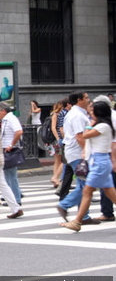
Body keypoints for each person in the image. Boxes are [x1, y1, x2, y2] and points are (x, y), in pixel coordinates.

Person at [61, 100, 116, 231]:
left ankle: (77, 221)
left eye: (92, 111)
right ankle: (78, 220)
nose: (90, 113)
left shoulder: (103, 126)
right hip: (99, 161)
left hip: (100, 162)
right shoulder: (101, 125)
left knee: (87, 191)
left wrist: (89, 123)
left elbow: (85, 135)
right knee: (110, 193)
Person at [56, 91, 100, 225]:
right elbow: (80, 136)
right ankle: (65, 204)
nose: (88, 100)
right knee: (87, 184)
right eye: (86, 98)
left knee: (83, 183)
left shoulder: (78, 113)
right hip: (77, 153)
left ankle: (84, 216)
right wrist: (87, 153)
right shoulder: (77, 116)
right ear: (79, 100)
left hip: (75, 152)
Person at [0, 102, 24, 206]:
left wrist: (11, 145)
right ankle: (14, 198)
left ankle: (16, 199)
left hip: (10, 150)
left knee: (11, 176)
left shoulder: (11, 119)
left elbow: (19, 132)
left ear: (3, 111)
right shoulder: (6, 119)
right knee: (9, 175)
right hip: (7, 149)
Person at [49, 99, 66, 188]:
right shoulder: (56, 115)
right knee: (62, 160)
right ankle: (55, 178)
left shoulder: (55, 114)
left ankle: (55, 179)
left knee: (57, 160)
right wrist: (58, 138)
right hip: (58, 140)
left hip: (56, 140)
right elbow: (53, 128)